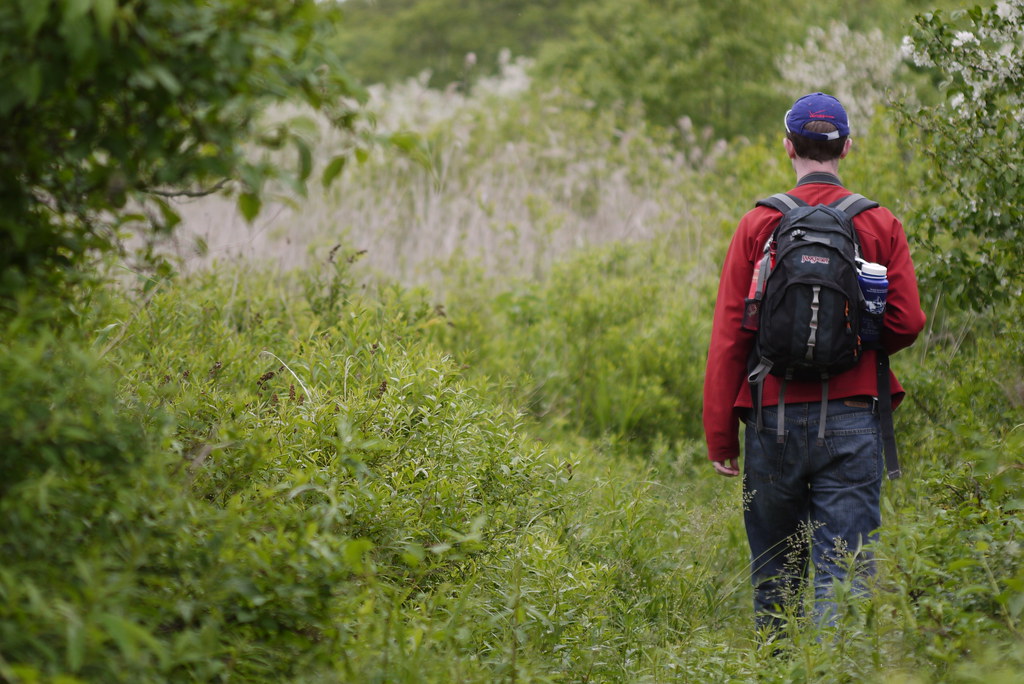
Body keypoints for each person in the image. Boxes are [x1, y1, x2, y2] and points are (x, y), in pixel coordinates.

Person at [702, 92, 927, 634]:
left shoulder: (759, 223)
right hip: (853, 416)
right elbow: (908, 321)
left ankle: (777, 666)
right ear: (846, 147)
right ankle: (832, 669)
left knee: (776, 576)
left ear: (788, 148)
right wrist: (856, 348)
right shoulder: (878, 223)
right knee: (842, 575)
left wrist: (720, 436)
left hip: (769, 414)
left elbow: (731, 335)